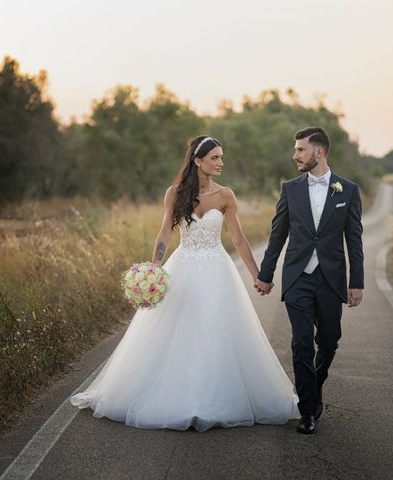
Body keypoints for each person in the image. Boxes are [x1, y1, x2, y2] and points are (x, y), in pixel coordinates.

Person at [71, 135, 299, 431]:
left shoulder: (225, 196)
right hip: (183, 266)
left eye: (221, 157)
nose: (221, 163)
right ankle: (174, 396)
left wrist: (257, 275)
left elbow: (239, 239)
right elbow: (165, 233)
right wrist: (153, 269)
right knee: (176, 329)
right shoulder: (174, 193)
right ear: (198, 161)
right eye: (215, 157)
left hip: (217, 269)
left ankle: (211, 398)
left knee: (215, 330)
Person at [256, 127, 364, 435]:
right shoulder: (289, 189)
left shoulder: (348, 190)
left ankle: (316, 384)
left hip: (331, 279)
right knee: (301, 343)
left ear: (318, 152)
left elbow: (354, 240)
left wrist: (357, 281)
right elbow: (277, 235)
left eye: (300, 150)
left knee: (329, 341)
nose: (295, 156)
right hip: (297, 278)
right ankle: (307, 411)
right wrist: (266, 275)